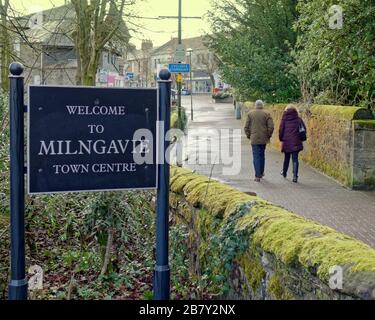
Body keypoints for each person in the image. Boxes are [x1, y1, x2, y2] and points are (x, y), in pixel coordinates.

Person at [244, 100, 274, 182]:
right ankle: (261, 172)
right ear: (262, 105)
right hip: (264, 138)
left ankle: (257, 175)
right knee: (262, 155)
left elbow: (246, 127)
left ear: (255, 105)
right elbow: (271, 127)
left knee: (256, 156)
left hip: (254, 138)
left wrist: (249, 136)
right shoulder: (267, 114)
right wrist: (268, 135)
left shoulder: (250, 114)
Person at [279, 105, 307, 183]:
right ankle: (295, 176)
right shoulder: (298, 120)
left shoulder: (284, 119)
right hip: (296, 142)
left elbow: (281, 130)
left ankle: (284, 173)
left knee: (286, 158)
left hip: (287, 141)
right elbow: (304, 129)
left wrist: (281, 139)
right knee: (295, 159)